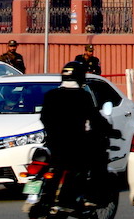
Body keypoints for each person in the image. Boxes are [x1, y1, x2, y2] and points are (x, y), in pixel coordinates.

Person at [39, 62, 113, 206]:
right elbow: (95, 118)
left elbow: (44, 118)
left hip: (53, 144)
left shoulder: (51, 95)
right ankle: (90, 197)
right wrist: (110, 130)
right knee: (97, 160)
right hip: (76, 144)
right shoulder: (82, 96)